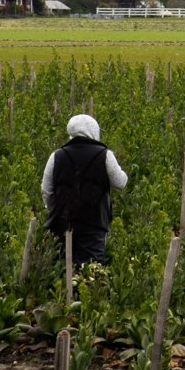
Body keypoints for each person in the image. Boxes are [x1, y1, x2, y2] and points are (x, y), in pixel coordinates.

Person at [42, 114, 128, 265]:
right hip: (93, 224)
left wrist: (53, 209)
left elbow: (47, 189)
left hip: (61, 223)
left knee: (61, 269)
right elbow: (120, 182)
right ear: (94, 131)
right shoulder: (105, 155)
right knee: (90, 272)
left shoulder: (56, 156)